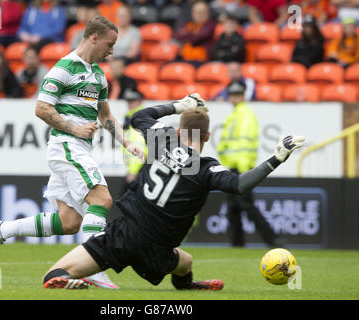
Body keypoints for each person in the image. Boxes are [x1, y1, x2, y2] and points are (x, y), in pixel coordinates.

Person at [40, 93, 305, 290]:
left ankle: (64, 280)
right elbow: (240, 185)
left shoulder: (161, 140)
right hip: (158, 250)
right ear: (207, 137)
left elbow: (138, 117)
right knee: (185, 261)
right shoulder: (204, 168)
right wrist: (276, 158)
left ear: (179, 131)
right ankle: (187, 286)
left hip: (124, 233)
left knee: (54, 274)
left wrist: (178, 105)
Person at [0, 15, 145, 290]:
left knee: (69, 222)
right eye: (110, 43)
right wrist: (73, 127)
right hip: (66, 145)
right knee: (102, 199)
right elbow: (41, 108)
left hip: (76, 147)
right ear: (94, 37)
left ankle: (2, 229)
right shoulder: (63, 68)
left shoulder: (98, 75)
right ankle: (91, 266)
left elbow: (106, 116)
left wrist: (127, 143)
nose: (112, 50)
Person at [217, 80, 277, 247]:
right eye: (232, 95)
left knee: (247, 207)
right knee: (233, 208)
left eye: (237, 95)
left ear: (243, 96)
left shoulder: (244, 115)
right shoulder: (237, 115)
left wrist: (243, 171)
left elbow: (244, 144)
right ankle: (237, 243)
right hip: (234, 168)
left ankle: (273, 239)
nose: (234, 98)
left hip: (241, 169)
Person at [120, 87, 147, 195]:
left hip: (139, 168)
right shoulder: (130, 118)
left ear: (140, 101)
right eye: (128, 101)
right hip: (138, 167)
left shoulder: (138, 118)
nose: (130, 104)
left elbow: (140, 145)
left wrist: (133, 170)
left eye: (133, 101)